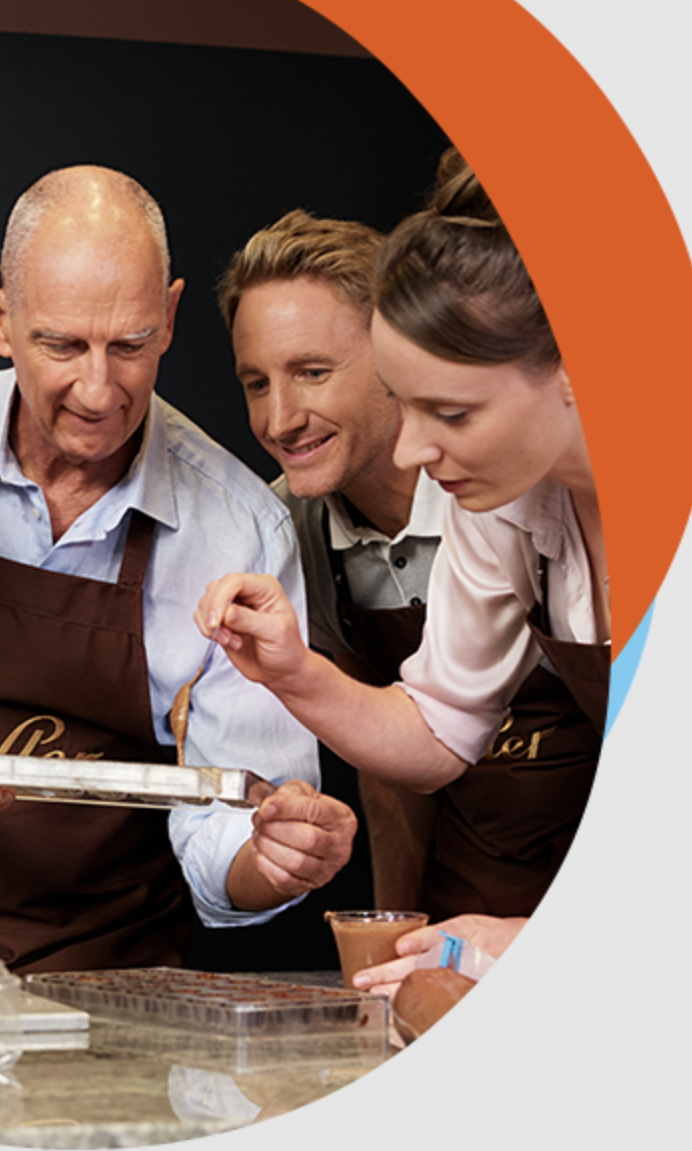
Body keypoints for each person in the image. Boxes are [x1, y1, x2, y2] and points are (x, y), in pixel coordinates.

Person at [0, 165, 356, 975]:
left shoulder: (240, 524)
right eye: (61, 345)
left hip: (116, 987)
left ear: (172, 318)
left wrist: (277, 861)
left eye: (130, 345)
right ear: (0, 319)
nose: (98, 389)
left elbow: (230, 815)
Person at [197, 150, 607, 989]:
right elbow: (434, 732)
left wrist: (544, 941)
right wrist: (294, 673)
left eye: (450, 411)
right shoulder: (505, 503)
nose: (418, 451)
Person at [195, 212, 450, 971]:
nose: (281, 419)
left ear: (395, 354)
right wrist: (392, 961)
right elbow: (387, 765)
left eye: (313, 371)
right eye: (256, 383)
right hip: (457, 908)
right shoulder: (286, 528)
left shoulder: (508, 488)